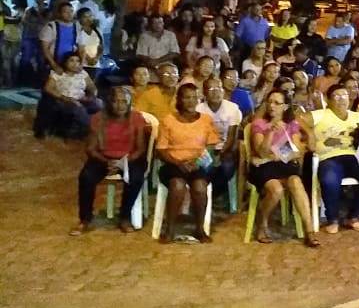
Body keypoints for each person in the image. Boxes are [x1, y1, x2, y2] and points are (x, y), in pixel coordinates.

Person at [302, 85, 359, 234]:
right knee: (329, 179)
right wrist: (310, 133)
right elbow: (298, 118)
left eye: (344, 95)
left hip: (353, 157)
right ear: (328, 100)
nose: (342, 99)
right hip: (329, 157)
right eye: (337, 96)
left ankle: (354, 215)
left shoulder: (357, 116)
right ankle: (333, 219)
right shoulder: (320, 115)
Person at [248, 90, 320, 247]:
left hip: (283, 164)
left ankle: (309, 231)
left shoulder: (291, 124)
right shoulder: (259, 124)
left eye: (277, 103)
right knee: (276, 190)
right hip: (264, 167)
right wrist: (270, 132)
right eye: (270, 102)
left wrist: (278, 156)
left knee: (296, 182)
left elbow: (296, 151)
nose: (272, 106)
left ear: (285, 106)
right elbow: (261, 151)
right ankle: (262, 223)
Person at [73, 85, 148, 235]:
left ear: (129, 103)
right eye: (116, 101)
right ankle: (85, 219)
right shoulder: (98, 118)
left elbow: (140, 148)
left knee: (136, 177)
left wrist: (124, 162)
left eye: (124, 102)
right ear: (109, 102)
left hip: (129, 158)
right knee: (86, 177)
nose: (120, 105)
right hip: (103, 158)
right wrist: (107, 162)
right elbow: (91, 149)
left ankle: (124, 216)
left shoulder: (137, 118)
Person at [155, 83, 222, 243]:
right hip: (173, 164)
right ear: (179, 99)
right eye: (187, 97)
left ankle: (199, 229)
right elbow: (161, 150)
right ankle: (170, 229)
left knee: (199, 187)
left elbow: (212, 147)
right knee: (177, 185)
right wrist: (179, 163)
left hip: (199, 163)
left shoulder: (206, 120)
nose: (191, 101)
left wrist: (197, 162)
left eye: (194, 97)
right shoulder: (168, 120)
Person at [197, 75, 243, 208]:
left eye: (219, 88)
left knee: (226, 167)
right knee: (204, 167)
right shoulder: (198, 109)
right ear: (204, 92)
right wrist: (208, 153)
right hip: (203, 149)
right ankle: (202, 196)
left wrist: (221, 153)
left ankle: (213, 194)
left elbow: (231, 136)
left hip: (225, 148)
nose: (216, 91)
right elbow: (197, 136)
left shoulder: (232, 108)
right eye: (211, 88)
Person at [34, 52, 100, 139]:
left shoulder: (83, 73)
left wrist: (92, 96)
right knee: (79, 109)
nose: (75, 64)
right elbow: (48, 88)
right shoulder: (58, 73)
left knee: (99, 103)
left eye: (77, 61)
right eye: (71, 61)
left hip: (82, 99)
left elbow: (92, 87)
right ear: (65, 62)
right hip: (64, 101)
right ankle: (92, 131)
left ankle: (101, 128)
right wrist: (65, 98)